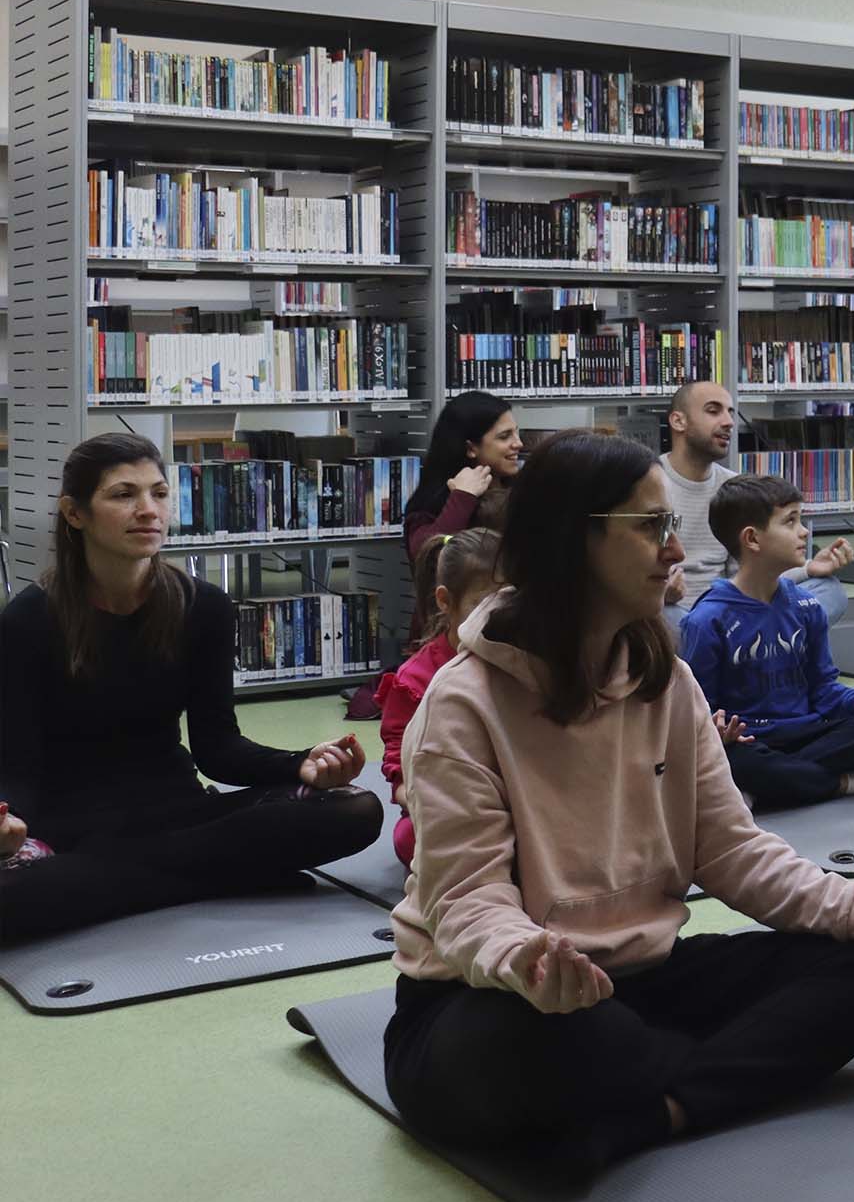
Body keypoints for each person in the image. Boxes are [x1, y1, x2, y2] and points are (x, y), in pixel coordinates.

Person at [382, 429, 854, 1184]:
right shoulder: (463, 703)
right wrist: (528, 960)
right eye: (651, 527)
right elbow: (467, 901)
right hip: (498, 996)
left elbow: (733, 851)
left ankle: (662, 1108)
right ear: (573, 538)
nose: (675, 550)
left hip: (638, 980)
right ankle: (695, 1075)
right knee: (571, 1039)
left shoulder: (667, 682)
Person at [0, 432, 381, 940]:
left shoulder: (202, 606)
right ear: (75, 514)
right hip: (73, 825)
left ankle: (127, 885)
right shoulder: (27, 619)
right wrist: (9, 825)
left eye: (159, 493)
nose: (148, 509)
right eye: (122, 495)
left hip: (182, 813)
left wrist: (301, 761)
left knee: (356, 808)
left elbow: (218, 748)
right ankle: (218, 877)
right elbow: (19, 768)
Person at [679, 474, 854, 811]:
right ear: (752, 539)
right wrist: (719, 732)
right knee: (734, 759)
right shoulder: (707, 620)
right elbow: (700, 713)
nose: (804, 531)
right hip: (751, 741)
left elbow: (824, 691)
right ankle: (842, 783)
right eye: (790, 521)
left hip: (808, 733)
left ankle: (773, 787)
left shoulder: (806, 607)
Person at [658, 380, 850, 632]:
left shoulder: (732, 487)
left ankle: (749, 639)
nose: (728, 422)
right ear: (678, 421)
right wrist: (659, 594)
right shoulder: (647, 481)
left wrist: (807, 569)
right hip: (677, 614)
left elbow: (747, 574)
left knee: (829, 589)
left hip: (729, 613)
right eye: (713, 411)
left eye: (730, 412)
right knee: (661, 615)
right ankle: (759, 640)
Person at [380, 528, 502, 866]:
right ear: (445, 601)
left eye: (507, 599)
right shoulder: (414, 679)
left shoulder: (521, 662)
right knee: (409, 839)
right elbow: (400, 771)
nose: (496, 615)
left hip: (510, 802)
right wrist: (425, 805)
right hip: (444, 806)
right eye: (481, 604)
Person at [403, 391, 521, 640]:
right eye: (504, 436)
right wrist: (463, 498)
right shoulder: (438, 500)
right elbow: (426, 555)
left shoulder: (523, 491)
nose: (518, 444)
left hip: (512, 628)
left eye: (516, 432)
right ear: (470, 448)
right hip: (450, 636)